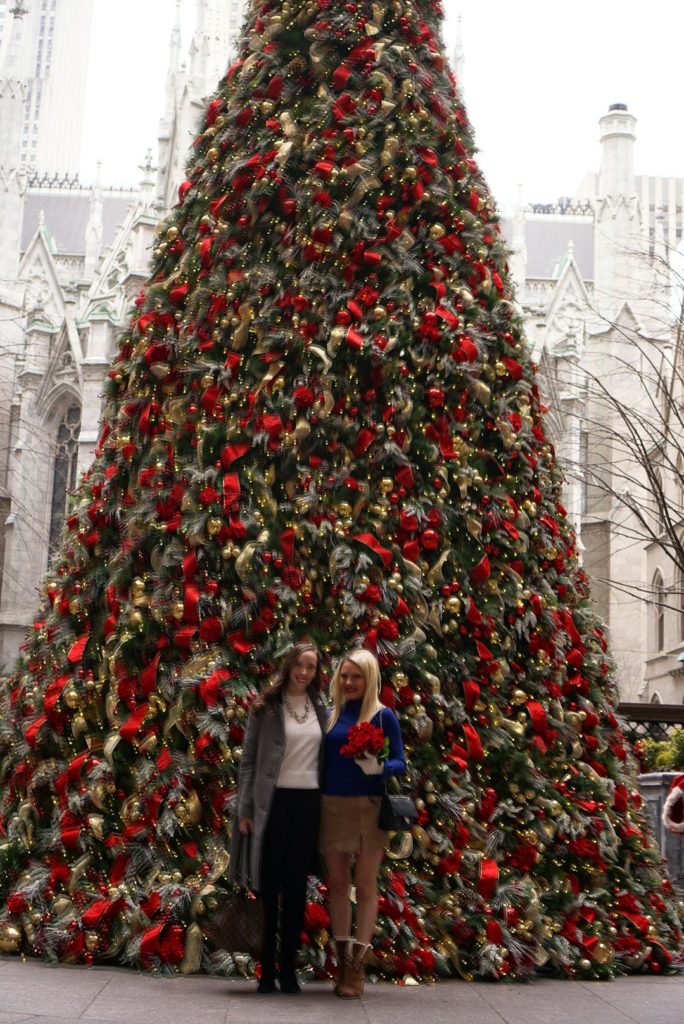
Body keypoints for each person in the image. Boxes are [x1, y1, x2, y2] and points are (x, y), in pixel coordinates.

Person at [229, 642, 327, 994]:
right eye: (299, 665)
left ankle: (288, 970)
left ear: (317, 672)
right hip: (273, 805)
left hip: (308, 805)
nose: (304, 672)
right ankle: (266, 970)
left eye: (311, 667)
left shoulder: (321, 708)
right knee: (270, 889)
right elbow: (248, 763)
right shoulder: (266, 707)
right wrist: (244, 811)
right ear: (288, 666)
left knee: (297, 890)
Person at [321, 649, 407, 998]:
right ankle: (341, 961)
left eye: (356, 676)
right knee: (338, 884)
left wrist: (381, 767)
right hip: (331, 806)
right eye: (344, 676)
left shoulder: (384, 717)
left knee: (366, 884)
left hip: (370, 808)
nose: (349, 682)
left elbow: (400, 761)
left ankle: (357, 965)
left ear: (369, 679)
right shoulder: (330, 715)